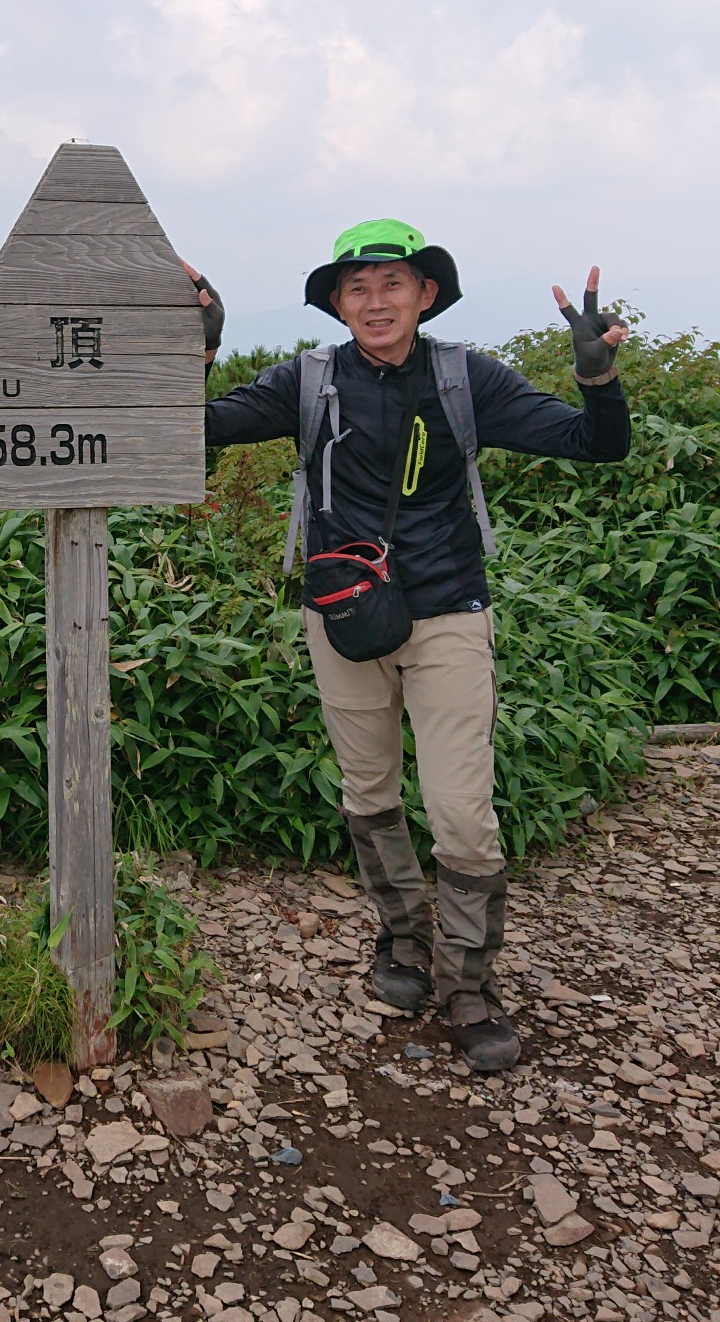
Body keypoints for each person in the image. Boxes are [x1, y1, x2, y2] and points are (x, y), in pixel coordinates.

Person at [185, 222, 630, 1072]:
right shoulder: (308, 382)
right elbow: (191, 431)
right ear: (337, 304)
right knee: (368, 787)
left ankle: (468, 982)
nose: (376, 301)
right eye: (358, 288)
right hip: (345, 614)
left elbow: (596, 445)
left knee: (462, 812)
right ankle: (401, 941)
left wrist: (596, 375)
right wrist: (197, 347)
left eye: (393, 283)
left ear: (426, 294)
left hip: (448, 610)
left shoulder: (467, 378)